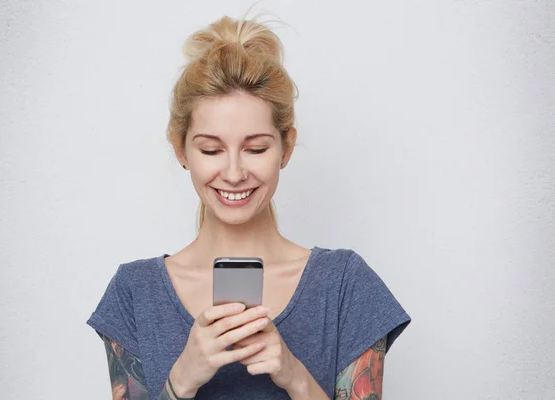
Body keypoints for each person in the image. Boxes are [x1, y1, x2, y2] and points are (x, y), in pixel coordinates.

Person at [86, 14, 411, 400]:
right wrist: (182, 380)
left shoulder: (345, 285)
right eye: (211, 149)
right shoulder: (135, 293)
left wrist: (296, 376)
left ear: (286, 148)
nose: (235, 172)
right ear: (181, 150)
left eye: (256, 149)